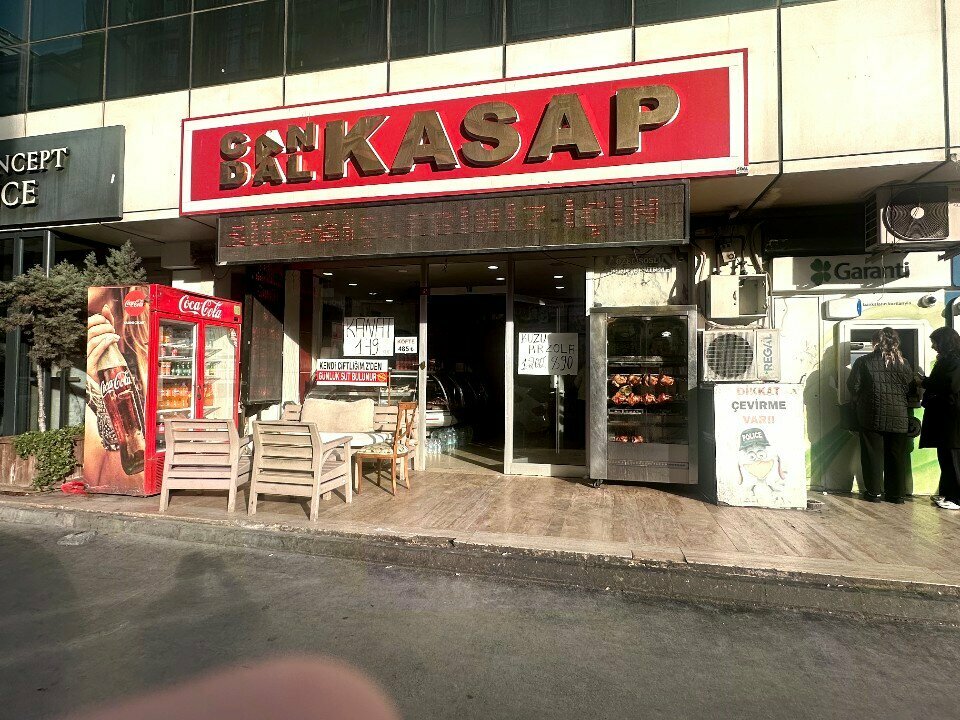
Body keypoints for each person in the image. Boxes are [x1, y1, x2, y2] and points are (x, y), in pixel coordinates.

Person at [846, 327, 915, 503]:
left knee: (872, 456)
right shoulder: (904, 363)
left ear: (875, 342)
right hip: (899, 416)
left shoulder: (864, 361)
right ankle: (896, 495)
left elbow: (853, 386)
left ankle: (874, 493)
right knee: (896, 457)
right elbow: (910, 388)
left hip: (872, 416)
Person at [919, 326, 960, 510]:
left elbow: (950, 385)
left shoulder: (955, 361)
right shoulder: (948, 360)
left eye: (935, 342)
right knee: (945, 458)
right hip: (945, 419)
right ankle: (947, 494)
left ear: (944, 342)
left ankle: (956, 499)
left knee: (953, 459)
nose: (933, 346)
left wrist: (925, 382)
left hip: (953, 420)